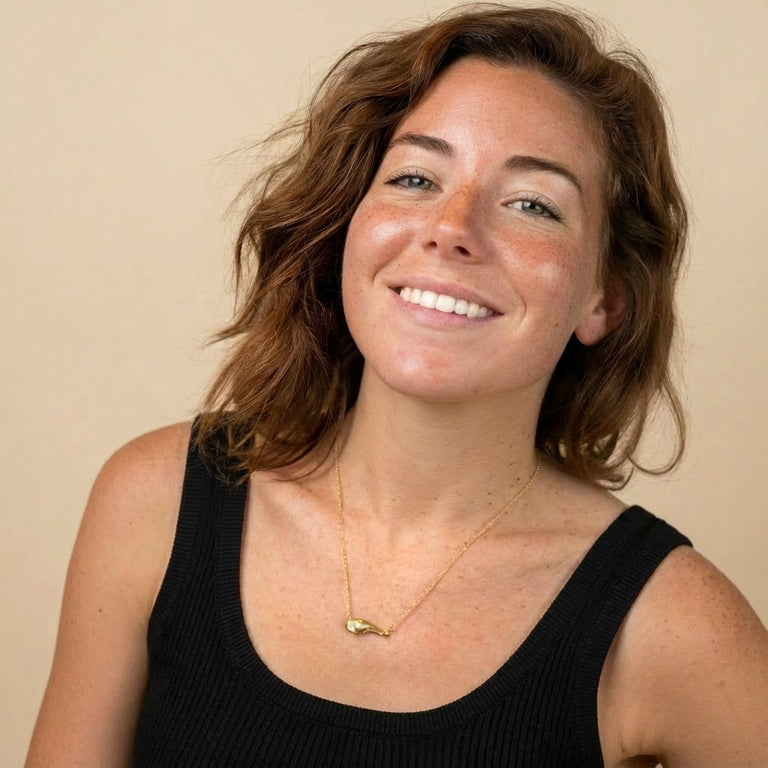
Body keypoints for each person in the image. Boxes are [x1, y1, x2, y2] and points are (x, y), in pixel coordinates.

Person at [25, 4, 768, 767]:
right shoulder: (154, 502)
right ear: (349, 221)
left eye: (532, 204)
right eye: (416, 177)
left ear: (604, 297)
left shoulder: (671, 625)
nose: (451, 226)